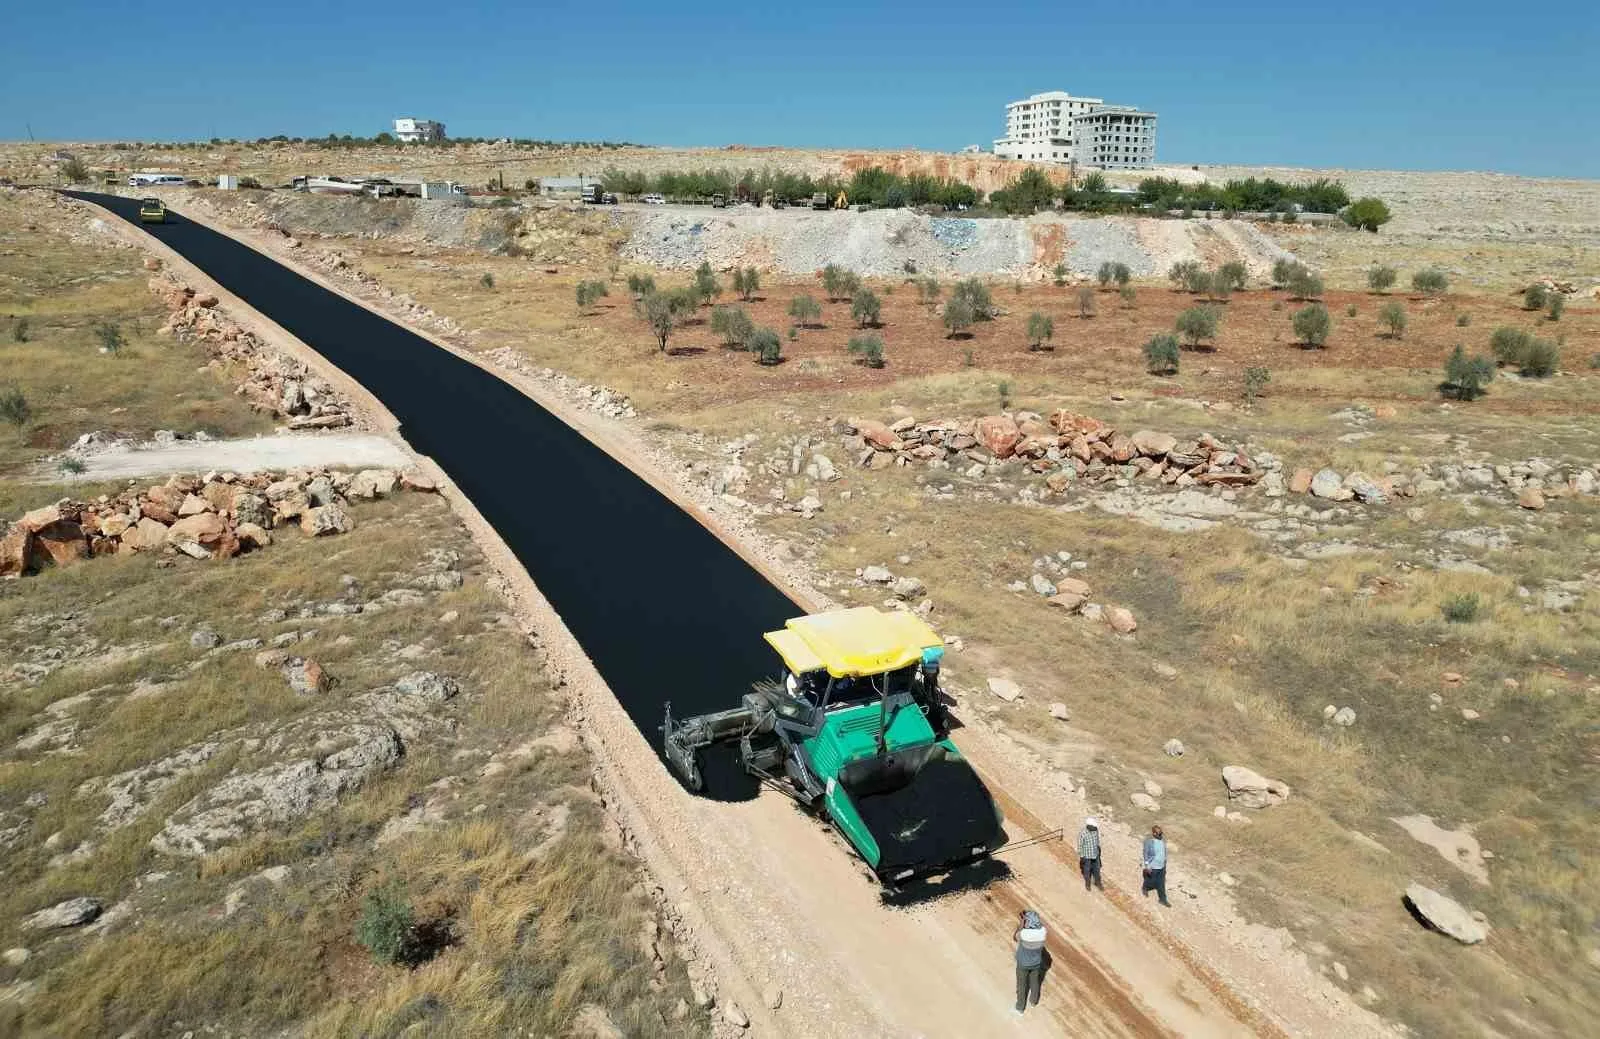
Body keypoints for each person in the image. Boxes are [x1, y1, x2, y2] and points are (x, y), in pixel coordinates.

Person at [1013, 909, 1047, 1015]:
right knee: (1035, 982)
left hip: (1023, 964)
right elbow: (1039, 926)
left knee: (1022, 985)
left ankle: (1020, 1008)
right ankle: (1033, 1001)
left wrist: (1021, 924)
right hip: (1036, 963)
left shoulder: (1024, 934)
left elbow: (1015, 937)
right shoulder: (1043, 932)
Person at [1141, 824, 1170, 907]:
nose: (1161, 835)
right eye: (1159, 834)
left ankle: (1162, 899)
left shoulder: (1163, 841)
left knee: (1161, 884)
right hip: (1153, 866)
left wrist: (1165, 863)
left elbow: (1164, 852)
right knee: (1150, 881)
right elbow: (1145, 854)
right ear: (1154, 834)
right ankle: (1145, 888)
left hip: (1161, 867)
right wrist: (1147, 866)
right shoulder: (1149, 842)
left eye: (1161, 833)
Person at [1077, 817, 1103, 892]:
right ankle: (1087, 883)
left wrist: (1098, 850)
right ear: (1089, 826)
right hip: (1087, 856)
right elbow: (1080, 845)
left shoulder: (1096, 830)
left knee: (1097, 869)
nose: (1094, 827)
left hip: (1095, 854)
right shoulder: (1083, 833)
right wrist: (1082, 856)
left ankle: (1098, 882)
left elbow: (1097, 840)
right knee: (1087, 870)